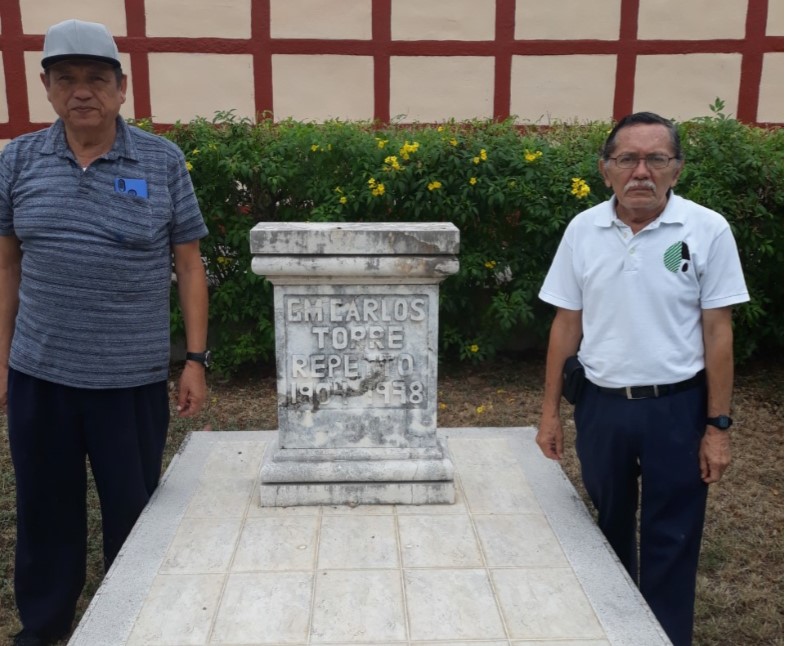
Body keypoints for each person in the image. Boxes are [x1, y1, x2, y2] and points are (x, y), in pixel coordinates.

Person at [0, 19, 210, 646]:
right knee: (44, 513)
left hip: (130, 379)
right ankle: (44, 628)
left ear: (122, 89)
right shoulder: (17, 161)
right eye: (66, 79)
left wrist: (195, 359)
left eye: (96, 79)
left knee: (133, 513)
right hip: (41, 374)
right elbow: (7, 263)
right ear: (47, 88)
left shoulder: (160, 160)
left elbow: (190, 265)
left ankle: (134, 623)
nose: (81, 92)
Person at [536, 112, 749, 646]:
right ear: (605, 169)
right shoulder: (583, 230)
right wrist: (549, 413)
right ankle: (612, 629)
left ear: (676, 170)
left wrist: (717, 426)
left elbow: (718, 333)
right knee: (608, 525)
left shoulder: (703, 231)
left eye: (657, 158)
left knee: (672, 534)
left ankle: (666, 636)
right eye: (627, 158)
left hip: (676, 409)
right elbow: (566, 324)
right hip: (602, 408)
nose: (641, 171)